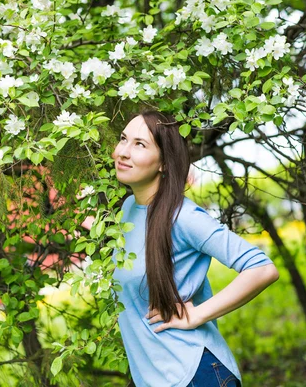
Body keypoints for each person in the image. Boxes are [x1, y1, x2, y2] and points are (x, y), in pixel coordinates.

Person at [111, 110, 279, 387]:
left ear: (164, 163)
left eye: (140, 144)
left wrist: (197, 315)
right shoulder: (128, 209)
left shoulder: (183, 217)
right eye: (123, 139)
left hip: (195, 374)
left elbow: (262, 268)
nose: (124, 152)